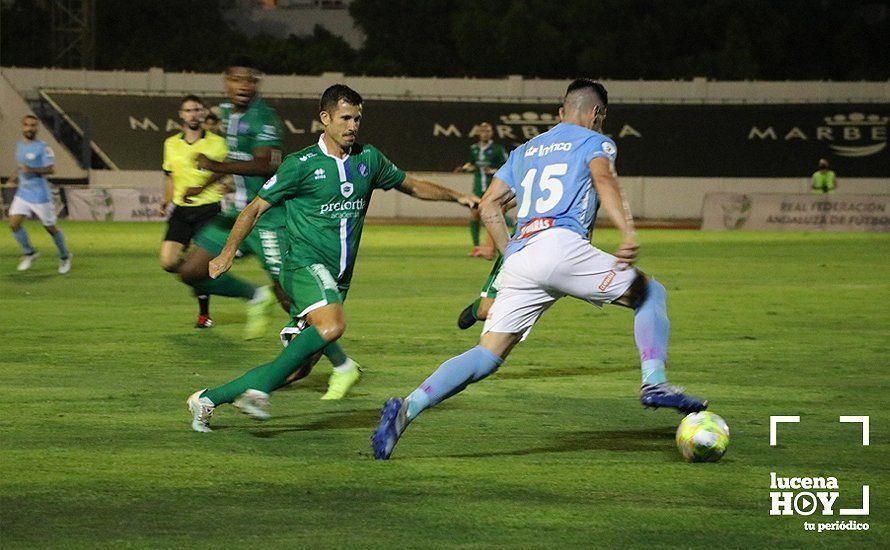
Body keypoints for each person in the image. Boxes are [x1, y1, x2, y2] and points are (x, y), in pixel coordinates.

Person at [373, 79, 708, 460]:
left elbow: (488, 205)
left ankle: (408, 407)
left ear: (561, 112)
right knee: (650, 292)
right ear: (597, 114)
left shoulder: (526, 150)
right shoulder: (595, 141)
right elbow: (604, 179)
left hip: (523, 256)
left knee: (487, 355)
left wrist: (510, 253)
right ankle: (655, 383)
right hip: (561, 246)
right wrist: (628, 230)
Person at [186, 84, 479, 432]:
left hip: (338, 279)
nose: (353, 125)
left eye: (357, 118)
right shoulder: (301, 165)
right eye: (345, 118)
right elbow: (254, 209)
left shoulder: (368, 159)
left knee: (298, 368)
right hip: (303, 267)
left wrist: (459, 197)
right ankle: (258, 392)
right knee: (333, 325)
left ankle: (206, 399)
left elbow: (411, 184)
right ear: (325, 119)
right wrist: (227, 253)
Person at [175, 55, 285, 341]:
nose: (243, 85)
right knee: (191, 271)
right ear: (225, 81)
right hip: (235, 214)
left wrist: (217, 167)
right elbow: (232, 157)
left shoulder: (264, 117)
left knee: (288, 292)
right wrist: (204, 185)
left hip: (265, 216)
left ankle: (336, 358)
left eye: (250, 79)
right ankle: (256, 296)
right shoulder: (226, 112)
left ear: (257, 82)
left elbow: (267, 164)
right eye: (236, 78)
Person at [160, 95, 228, 328]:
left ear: (202, 113)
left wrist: (221, 184)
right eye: (188, 110)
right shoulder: (171, 144)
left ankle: (204, 314)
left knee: (199, 267)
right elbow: (170, 176)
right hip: (181, 209)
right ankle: (193, 272)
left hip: (208, 208)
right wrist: (165, 199)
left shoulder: (217, 143)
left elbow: (224, 172)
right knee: (167, 261)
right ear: (181, 114)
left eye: (197, 110)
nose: (192, 114)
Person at [7, 115, 71, 274]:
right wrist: (14, 176)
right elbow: (21, 167)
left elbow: (51, 169)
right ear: (23, 127)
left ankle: (65, 256)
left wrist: (32, 170)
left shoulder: (43, 148)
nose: (30, 128)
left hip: (40, 195)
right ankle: (30, 253)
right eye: (27, 125)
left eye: (33, 126)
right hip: (23, 193)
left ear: (37, 128)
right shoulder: (20, 146)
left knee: (50, 227)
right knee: (14, 224)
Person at [454, 122, 508, 259]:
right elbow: (471, 164)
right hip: (478, 188)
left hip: (493, 188)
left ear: (491, 133)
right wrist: (464, 168)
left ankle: (496, 245)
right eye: (483, 131)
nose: (485, 133)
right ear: (478, 133)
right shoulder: (474, 149)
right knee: (474, 215)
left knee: (494, 215)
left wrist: (493, 171)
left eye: (488, 131)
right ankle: (477, 247)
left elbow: (507, 167)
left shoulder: (497, 149)